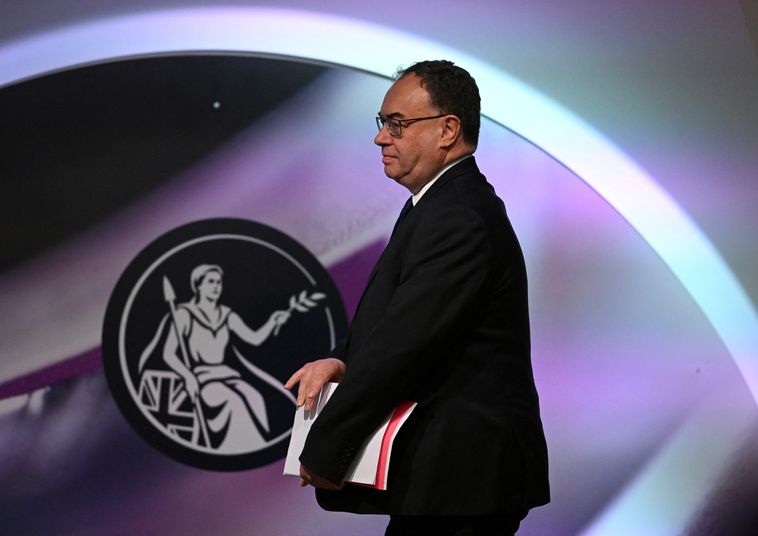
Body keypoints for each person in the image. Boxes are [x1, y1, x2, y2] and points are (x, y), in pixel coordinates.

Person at [285, 60, 549, 535]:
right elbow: (399, 320)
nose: (381, 138)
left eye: (398, 124)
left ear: (448, 130)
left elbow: (403, 345)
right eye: (383, 123)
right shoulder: (436, 206)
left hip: (466, 482)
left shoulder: (459, 217)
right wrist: (340, 361)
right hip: (451, 483)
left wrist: (327, 446)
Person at [144, 264, 291, 452]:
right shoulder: (184, 314)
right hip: (202, 379)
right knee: (233, 402)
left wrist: (272, 321)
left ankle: (257, 450)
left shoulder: (226, 314)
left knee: (255, 397)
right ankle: (241, 450)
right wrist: (187, 376)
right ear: (198, 286)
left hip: (226, 374)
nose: (216, 286)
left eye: (219, 282)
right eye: (210, 282)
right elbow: (168, 354)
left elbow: (254, 339)